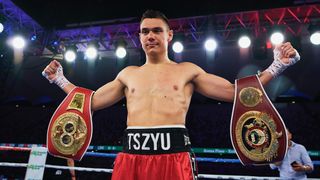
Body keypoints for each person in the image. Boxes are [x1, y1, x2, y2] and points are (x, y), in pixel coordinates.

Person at [42, 10, 301, 180]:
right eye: (145, 31)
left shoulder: (187, 71)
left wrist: (277, 66)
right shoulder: (127, 74)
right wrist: (60, 80)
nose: (150, 36)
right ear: (139, 37)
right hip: (131, 158)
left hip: (174, 158)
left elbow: (235, 93)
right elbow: (92, 102)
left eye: (156, 30)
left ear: (169, 34)